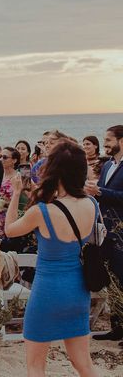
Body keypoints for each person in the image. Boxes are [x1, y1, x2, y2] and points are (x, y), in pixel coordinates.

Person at [5, 139, 98, 377]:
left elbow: (10, 230)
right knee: (83, 364)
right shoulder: (92, 204)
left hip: (48, 291)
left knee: (36, 366)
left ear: (53, 170)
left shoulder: (42, 211)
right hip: (78, 291)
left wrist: (16, 193)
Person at [88, 125, 123, 343]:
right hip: (106, 231)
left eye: (109, 140)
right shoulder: (109, 165)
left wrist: (101, 191)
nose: (106, 143)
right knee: (113, 280)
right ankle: (117, 327)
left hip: (121, 231)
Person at [0, 146, 20, 239]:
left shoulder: (18, 177)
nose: (1, 159)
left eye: (5, 157)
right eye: (0, 157)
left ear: (14, 160)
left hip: (10, 215)